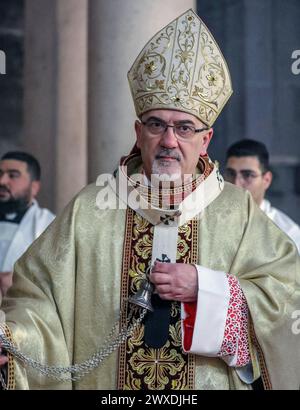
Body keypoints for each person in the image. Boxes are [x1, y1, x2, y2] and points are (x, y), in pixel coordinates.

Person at [0, 9, 299, 391]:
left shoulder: (236, 212)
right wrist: (13, 339)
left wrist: (206, 289)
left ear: (205, 140)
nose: (169, 141)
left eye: (185, 128)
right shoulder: (90, 209)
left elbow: (287, 297)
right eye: (157, 125)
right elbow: (39, 301)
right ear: (139, 132)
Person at [225, 139, 300, 252]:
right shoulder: (206, 220)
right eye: (231, 174)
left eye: (248, 175)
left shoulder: (288, 236)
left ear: (266, 180)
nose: (236, 184)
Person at [0, 151, 55, 303]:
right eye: (0, 174)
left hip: (25, 315)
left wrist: (19, 282)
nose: (2, 181)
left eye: (13, 175)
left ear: (34, 187)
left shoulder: (49, 226)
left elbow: (58, 280)